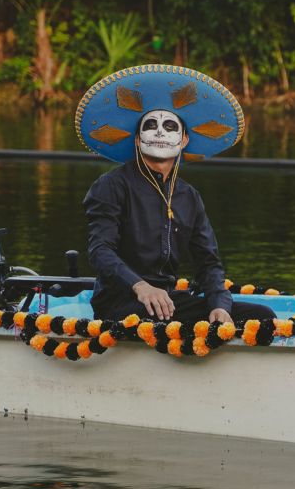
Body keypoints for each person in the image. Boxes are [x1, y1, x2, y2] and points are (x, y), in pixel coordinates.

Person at [77, 65, 275, 325]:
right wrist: (140, 286)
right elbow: (100, 251)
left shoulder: (188, 196)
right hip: (121, 302)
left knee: (260, 316)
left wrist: (219, 306)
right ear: (137, 139)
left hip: (168, 302)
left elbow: (208, 262)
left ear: (183, 140)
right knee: (154, 318)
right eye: (151, 125)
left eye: (170, 126)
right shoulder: (112, 185)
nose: (160, 132)